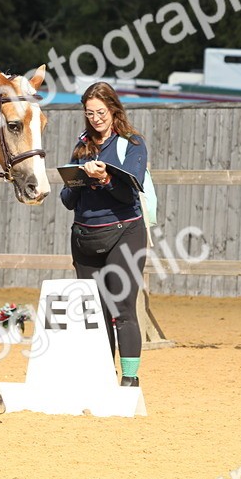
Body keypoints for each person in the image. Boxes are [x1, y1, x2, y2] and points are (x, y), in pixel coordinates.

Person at [59, 82, 149, 386]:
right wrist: (79, 179)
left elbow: (128, 196)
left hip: (125, 233)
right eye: (89, 113)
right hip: (84, 235)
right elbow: (67, 200)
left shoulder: (132, 144)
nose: (96, 118)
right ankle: (103, 376)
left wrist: (107, 178)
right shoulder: (81, 145)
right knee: (95, 313)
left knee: (121, 308)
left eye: (100, 112)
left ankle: (130, 379)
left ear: (113, 109)